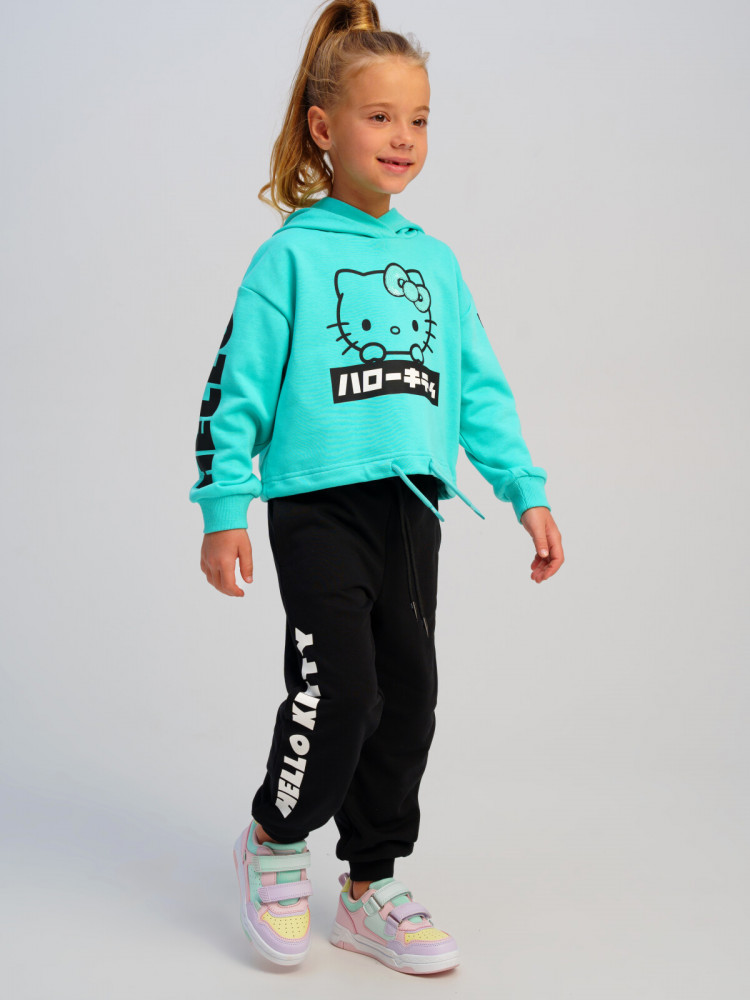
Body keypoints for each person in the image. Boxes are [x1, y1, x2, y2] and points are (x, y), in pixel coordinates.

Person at [189, 0, 564, 976]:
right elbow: (235, 392)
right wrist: (225, 508)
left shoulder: (434, 261)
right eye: (381, 116)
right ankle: (276, 838)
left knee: (408, 697)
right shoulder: (290, 257)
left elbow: (480, 388)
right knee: (338, 688)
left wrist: (524, 488)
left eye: (420, 118)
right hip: (317, 506)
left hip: (411, 506)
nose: (403, 137)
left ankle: (368, 885)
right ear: (325, 127)